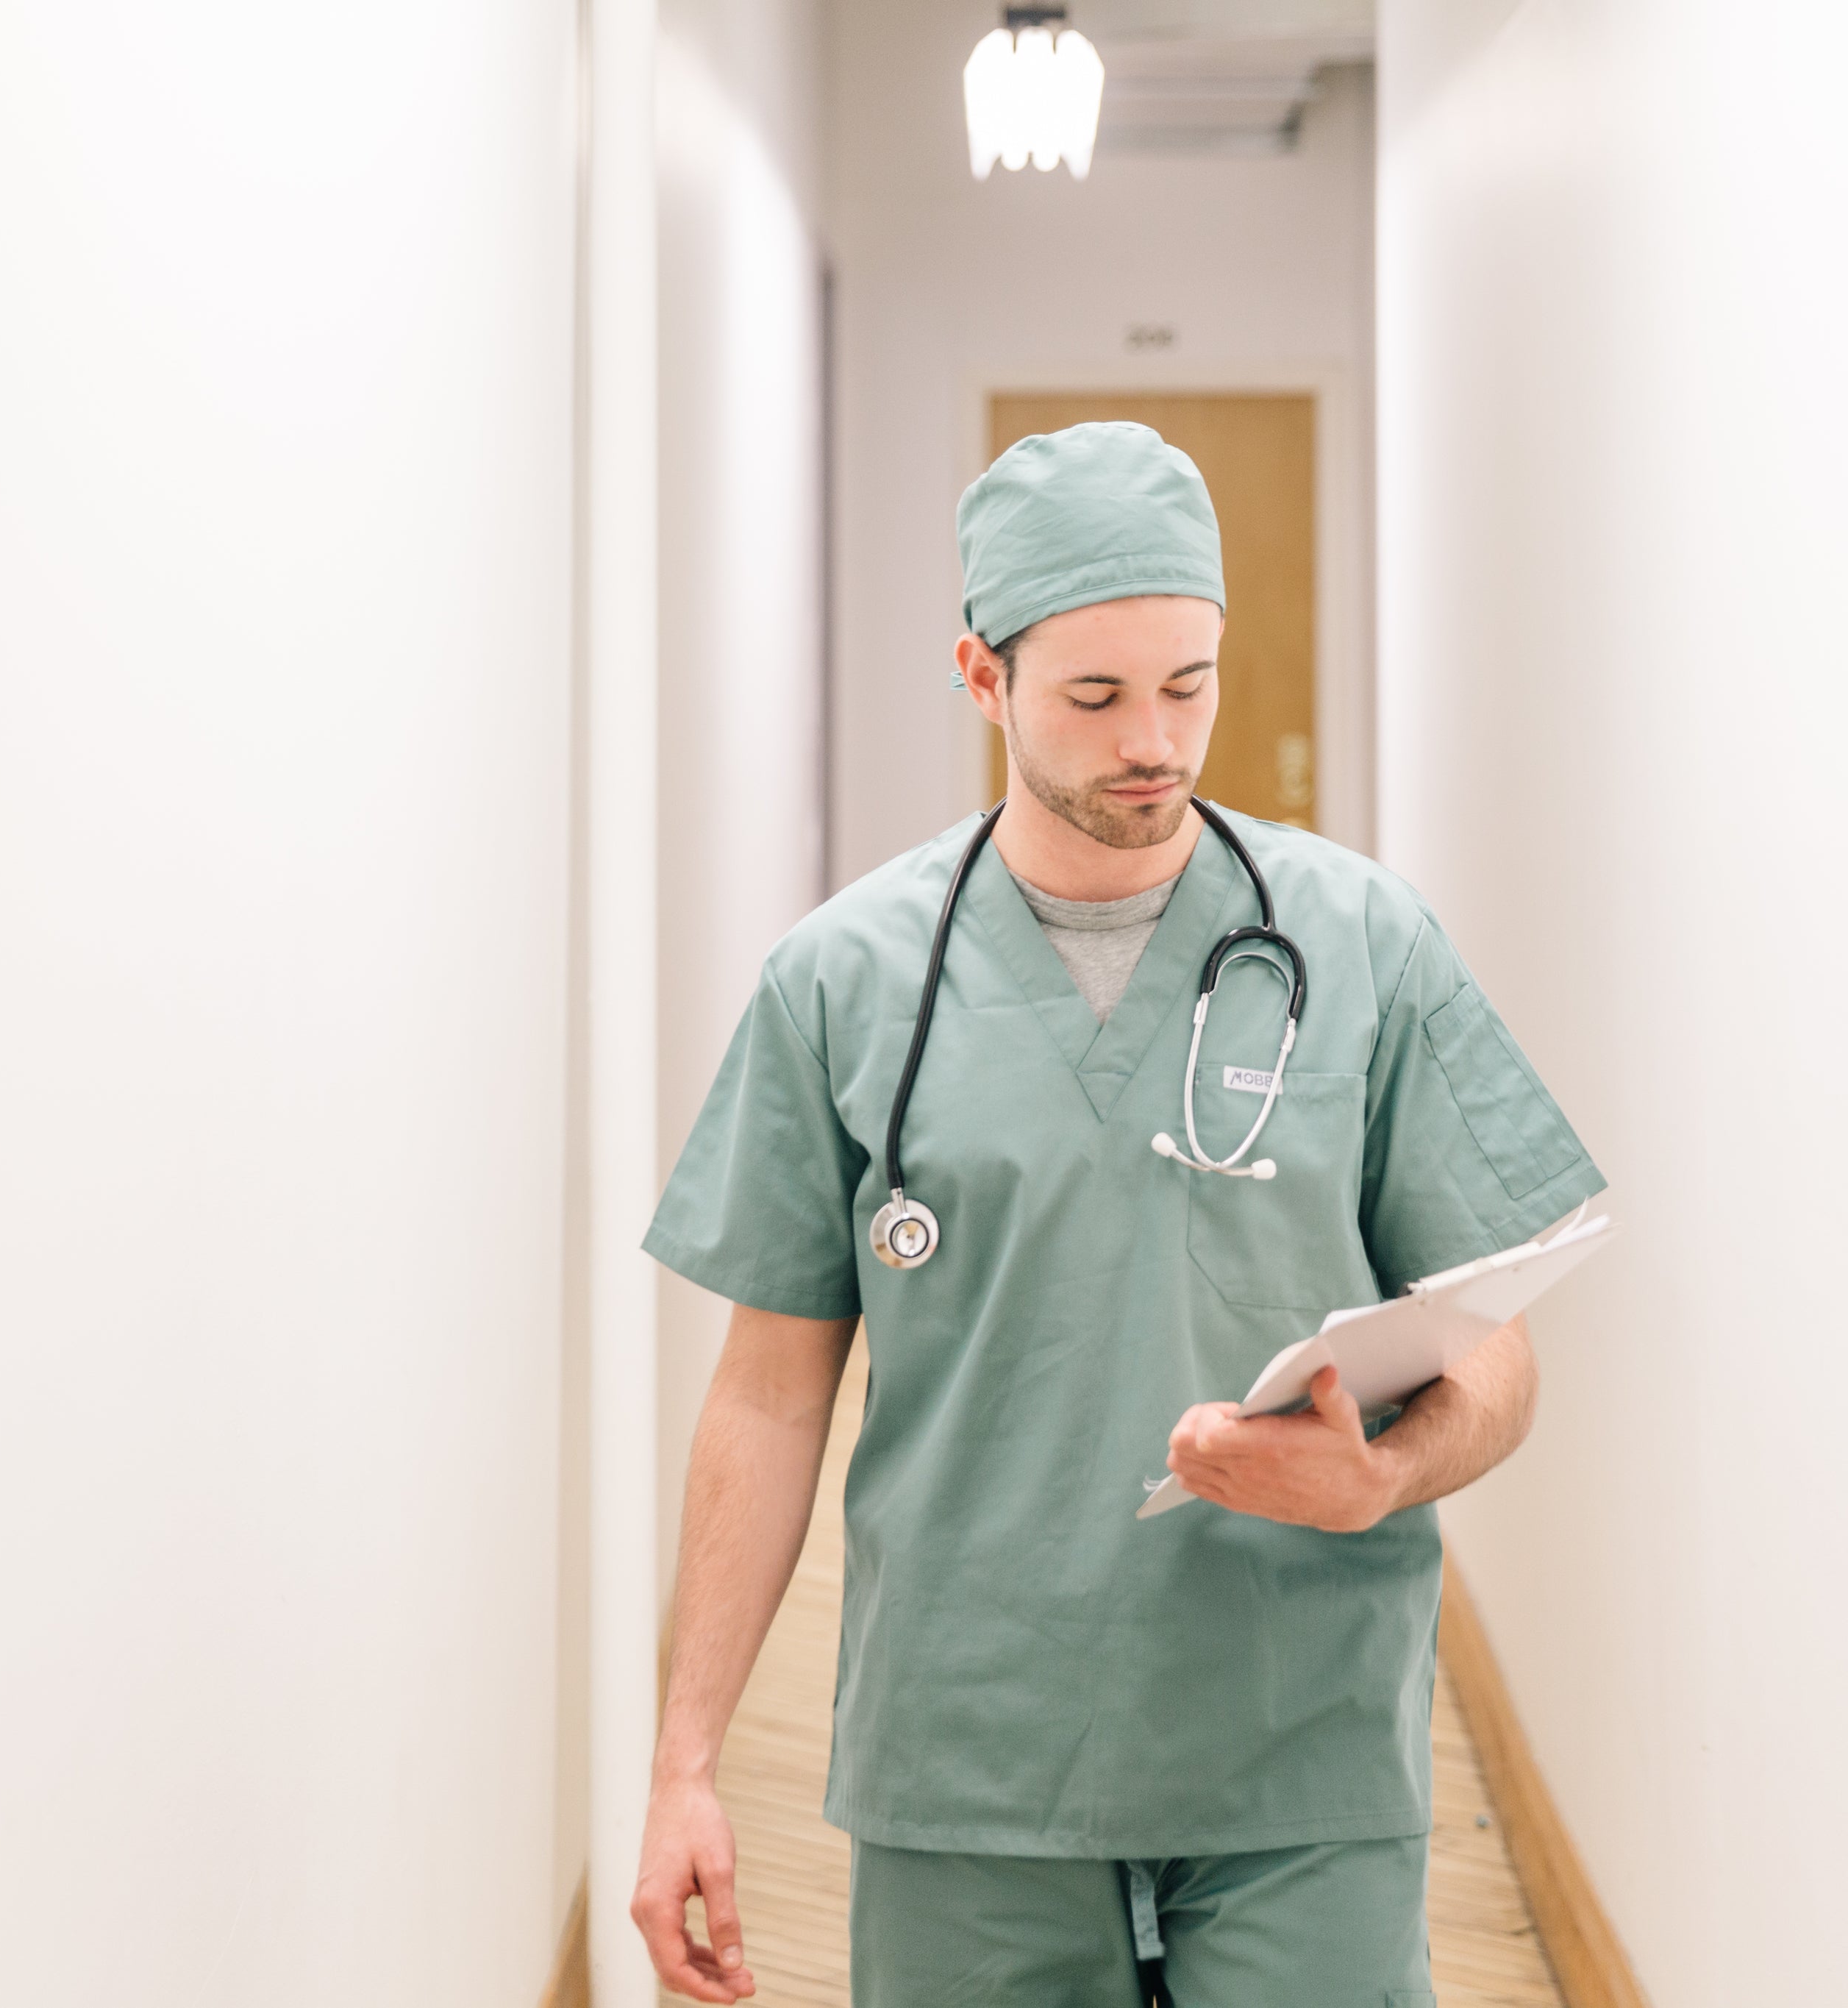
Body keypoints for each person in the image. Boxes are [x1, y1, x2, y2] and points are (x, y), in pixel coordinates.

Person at [629, 421, 1605, 2007]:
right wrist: (684, 1766)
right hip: (973, 1764)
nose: (1154, 738)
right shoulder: (842, 985)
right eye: (1093, 697)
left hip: (1296, 1744)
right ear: (980, 677)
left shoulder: (1361, 945)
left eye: (1188, 684)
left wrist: (1390, 1472)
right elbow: (765, 1393)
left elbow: (1491, 1351)